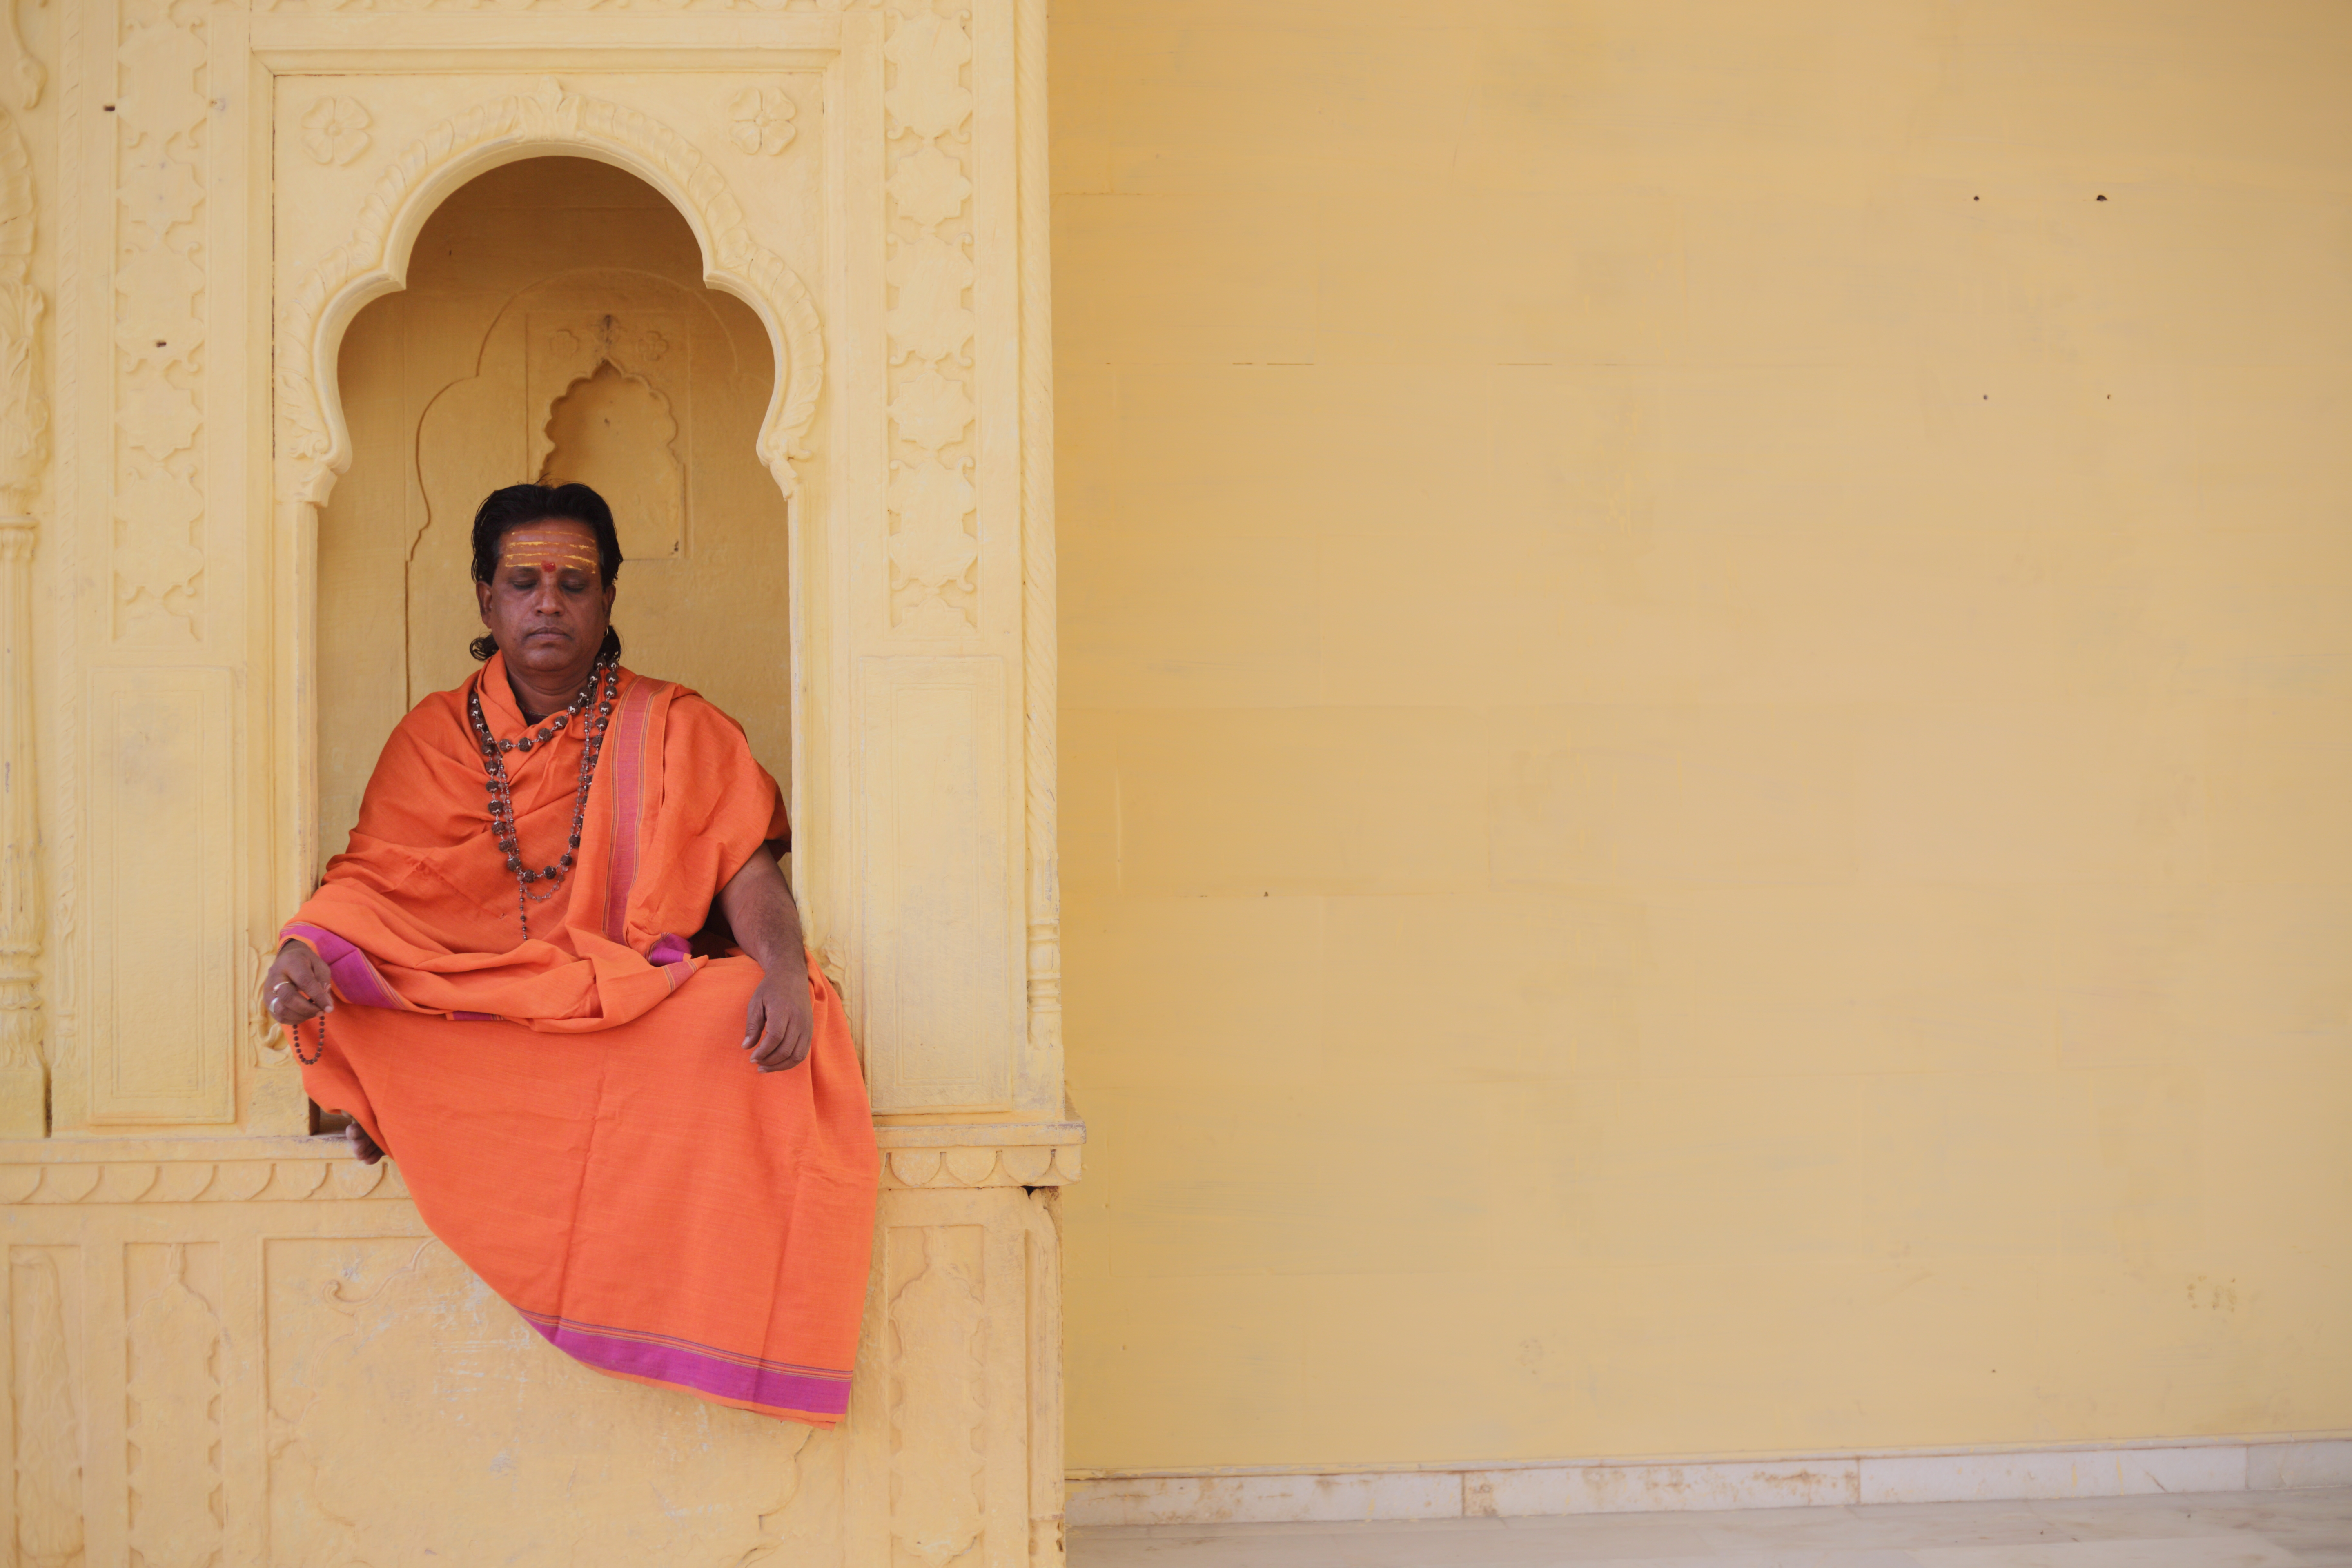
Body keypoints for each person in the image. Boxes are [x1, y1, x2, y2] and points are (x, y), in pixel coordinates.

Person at [262, 482, 875, 1429]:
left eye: (574, 581)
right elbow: (374, 881)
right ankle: (405, 1096)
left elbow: (744, 872)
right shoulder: (434, 738)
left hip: (618, 1003)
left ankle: (426, 1116)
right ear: (485, 599)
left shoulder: (678, 727)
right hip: (488, 1009)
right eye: (524, 580)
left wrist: (786, 972)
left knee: (740, 1009)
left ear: (609, 599)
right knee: (365, 1003)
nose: (548, 601)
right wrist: (305, 950)